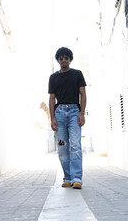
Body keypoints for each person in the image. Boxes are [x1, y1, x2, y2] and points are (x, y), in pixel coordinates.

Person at [48, 47, 86, 189]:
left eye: (66, 57)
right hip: (59, 114)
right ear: (58, 60)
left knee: (75, 145)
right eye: (61, 58)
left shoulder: (77, 74)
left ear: (70, 59)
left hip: (74, 112)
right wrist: (52, 119)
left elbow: (83, 94)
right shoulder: (53, 77)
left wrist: (82, 113)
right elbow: (52, 99)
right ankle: (68, 178)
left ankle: (77, 179)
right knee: (63, 147)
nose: (64, 60)